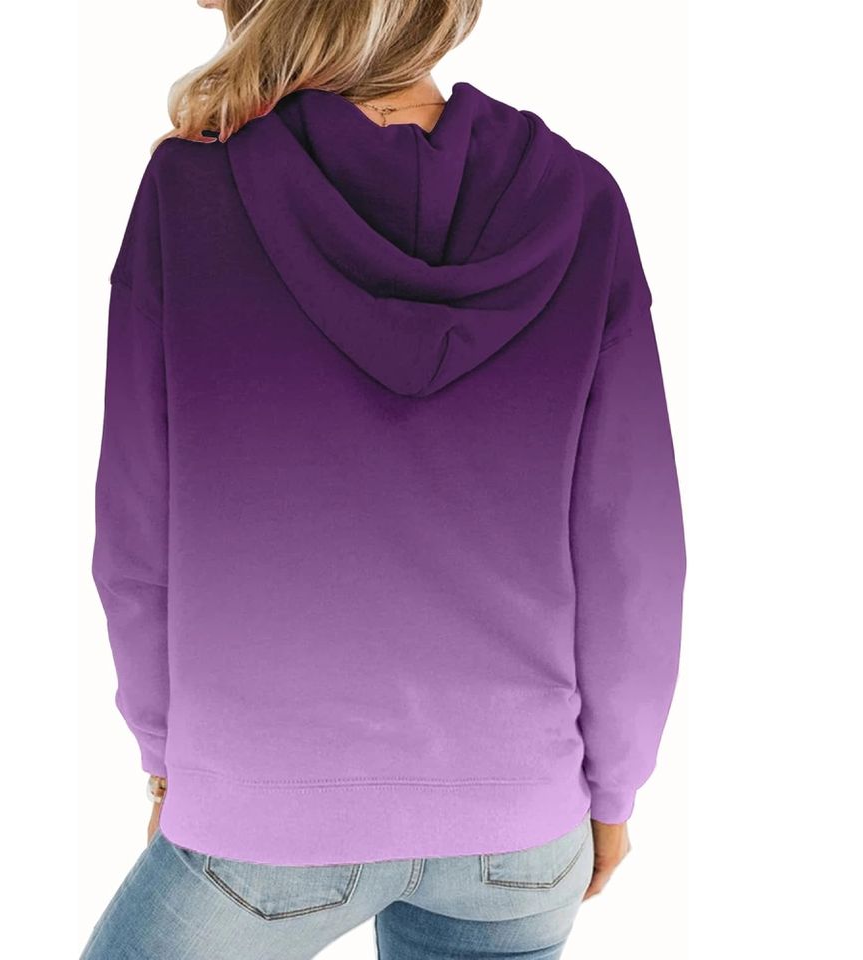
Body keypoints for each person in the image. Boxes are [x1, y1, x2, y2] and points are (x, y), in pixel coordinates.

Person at [81, 0, 686, 957]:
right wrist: (613, 788)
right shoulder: (578, 200)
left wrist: (168, 762)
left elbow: (135, 534)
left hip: (262, 807)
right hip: (517, 823)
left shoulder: (192, 193)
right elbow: (631, 547)